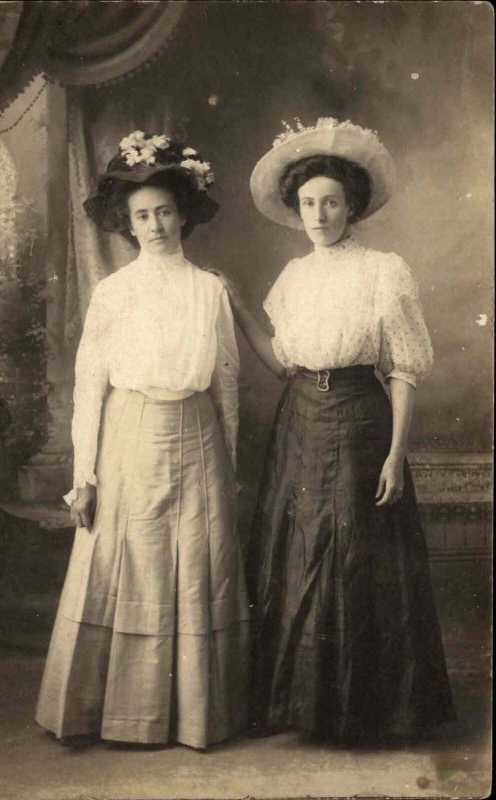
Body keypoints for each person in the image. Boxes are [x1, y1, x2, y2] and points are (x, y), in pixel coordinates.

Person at [214, 118, 455, 745]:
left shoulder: (384, 271)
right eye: (309, 203)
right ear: (297, 211)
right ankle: (303, 708)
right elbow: (281, 361)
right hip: (299, 419)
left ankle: (362, 711)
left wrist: (397, 454)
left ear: (352, 207)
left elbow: (403, 369)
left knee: (350, 556)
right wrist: (238, 305)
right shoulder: (293, 278)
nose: (319, 214)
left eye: (331, 202)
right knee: (296, 553)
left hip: (359, 419)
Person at [36, 131, 249, 749]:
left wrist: (228, 464)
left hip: (197, 437)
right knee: (126, 561)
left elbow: (227, 384)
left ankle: (193, 716)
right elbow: (88, 389)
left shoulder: (210, 290)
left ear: (183, 215)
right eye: (141, 216)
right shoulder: (113, 293)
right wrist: (85, 475)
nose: (154, 225)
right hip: (127, 436)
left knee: (195, 566)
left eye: (163, 212)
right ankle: (118, 713)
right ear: (127, 225)